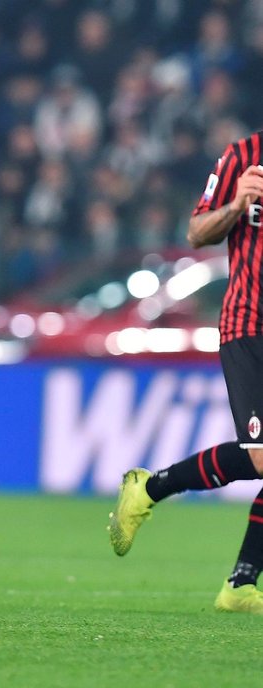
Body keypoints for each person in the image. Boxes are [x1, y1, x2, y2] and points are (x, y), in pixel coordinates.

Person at [108, 133, 263, 615]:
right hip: (249, 324)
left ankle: (240, 585)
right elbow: (198, 232)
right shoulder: (244, 156)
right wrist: (238, 202)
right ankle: (151, 490)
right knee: (260, 457)